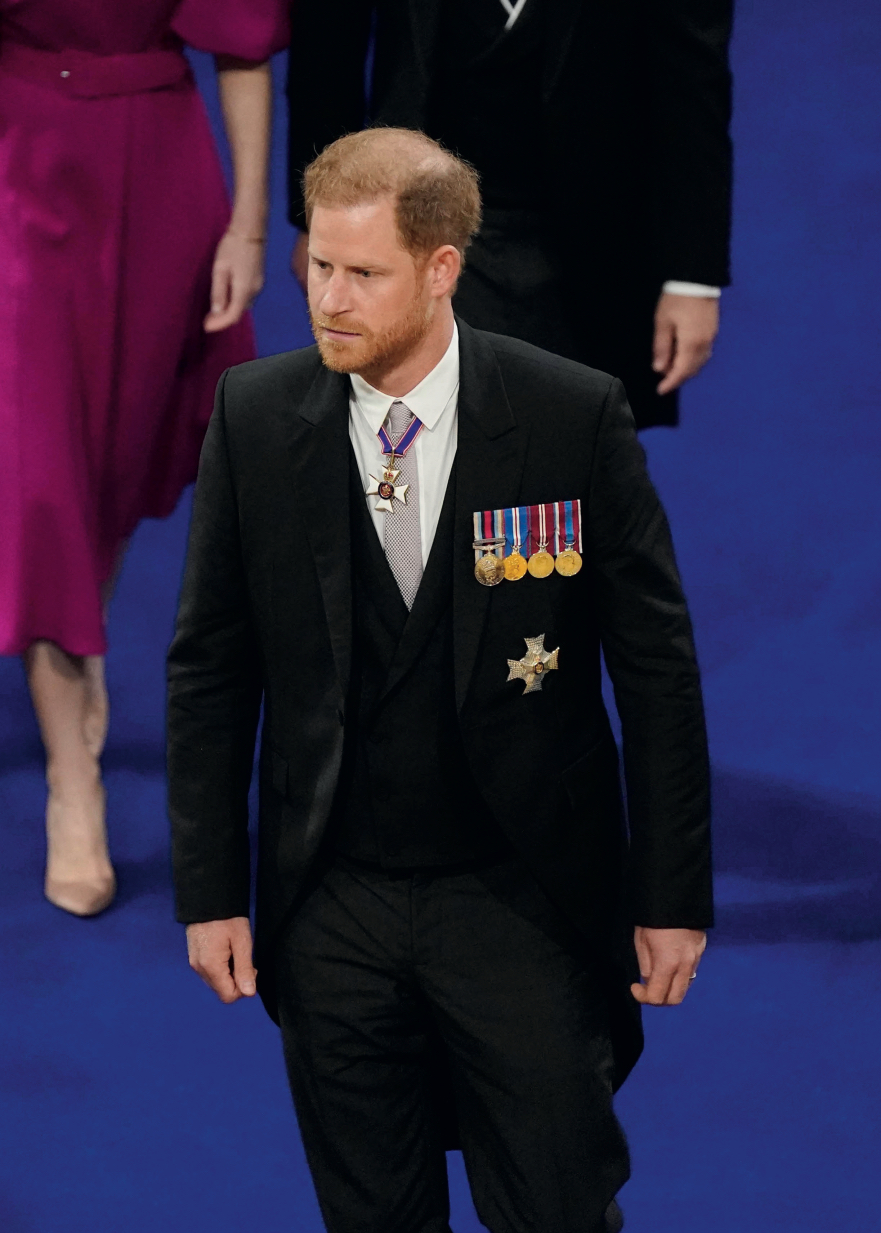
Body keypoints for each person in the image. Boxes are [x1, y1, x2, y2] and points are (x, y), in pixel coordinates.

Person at [170, 129, 712, 1233]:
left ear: (440, 268)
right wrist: (211, 889)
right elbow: (209, 671)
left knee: (556, 1207)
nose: (329, 298)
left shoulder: (569, 416)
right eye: (317, 266)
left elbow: (655, 673)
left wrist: (667, 898)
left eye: (362, 273)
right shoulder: (254, 420)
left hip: (518, 893)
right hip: (332, 901)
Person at [0, 0, 288, 916]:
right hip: (17, 164)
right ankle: (72, 778)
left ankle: (73, 658)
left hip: (160, 173)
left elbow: (242, 51)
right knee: (38, 472)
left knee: (110, 467)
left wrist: (245, 226)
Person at [286, 0, 733, 431]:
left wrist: (691, 277)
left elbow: (692, 76)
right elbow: (326, 49)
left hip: (597, 244)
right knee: (410, 446)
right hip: (418, 224)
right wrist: (320, 218)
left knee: (572, 458)